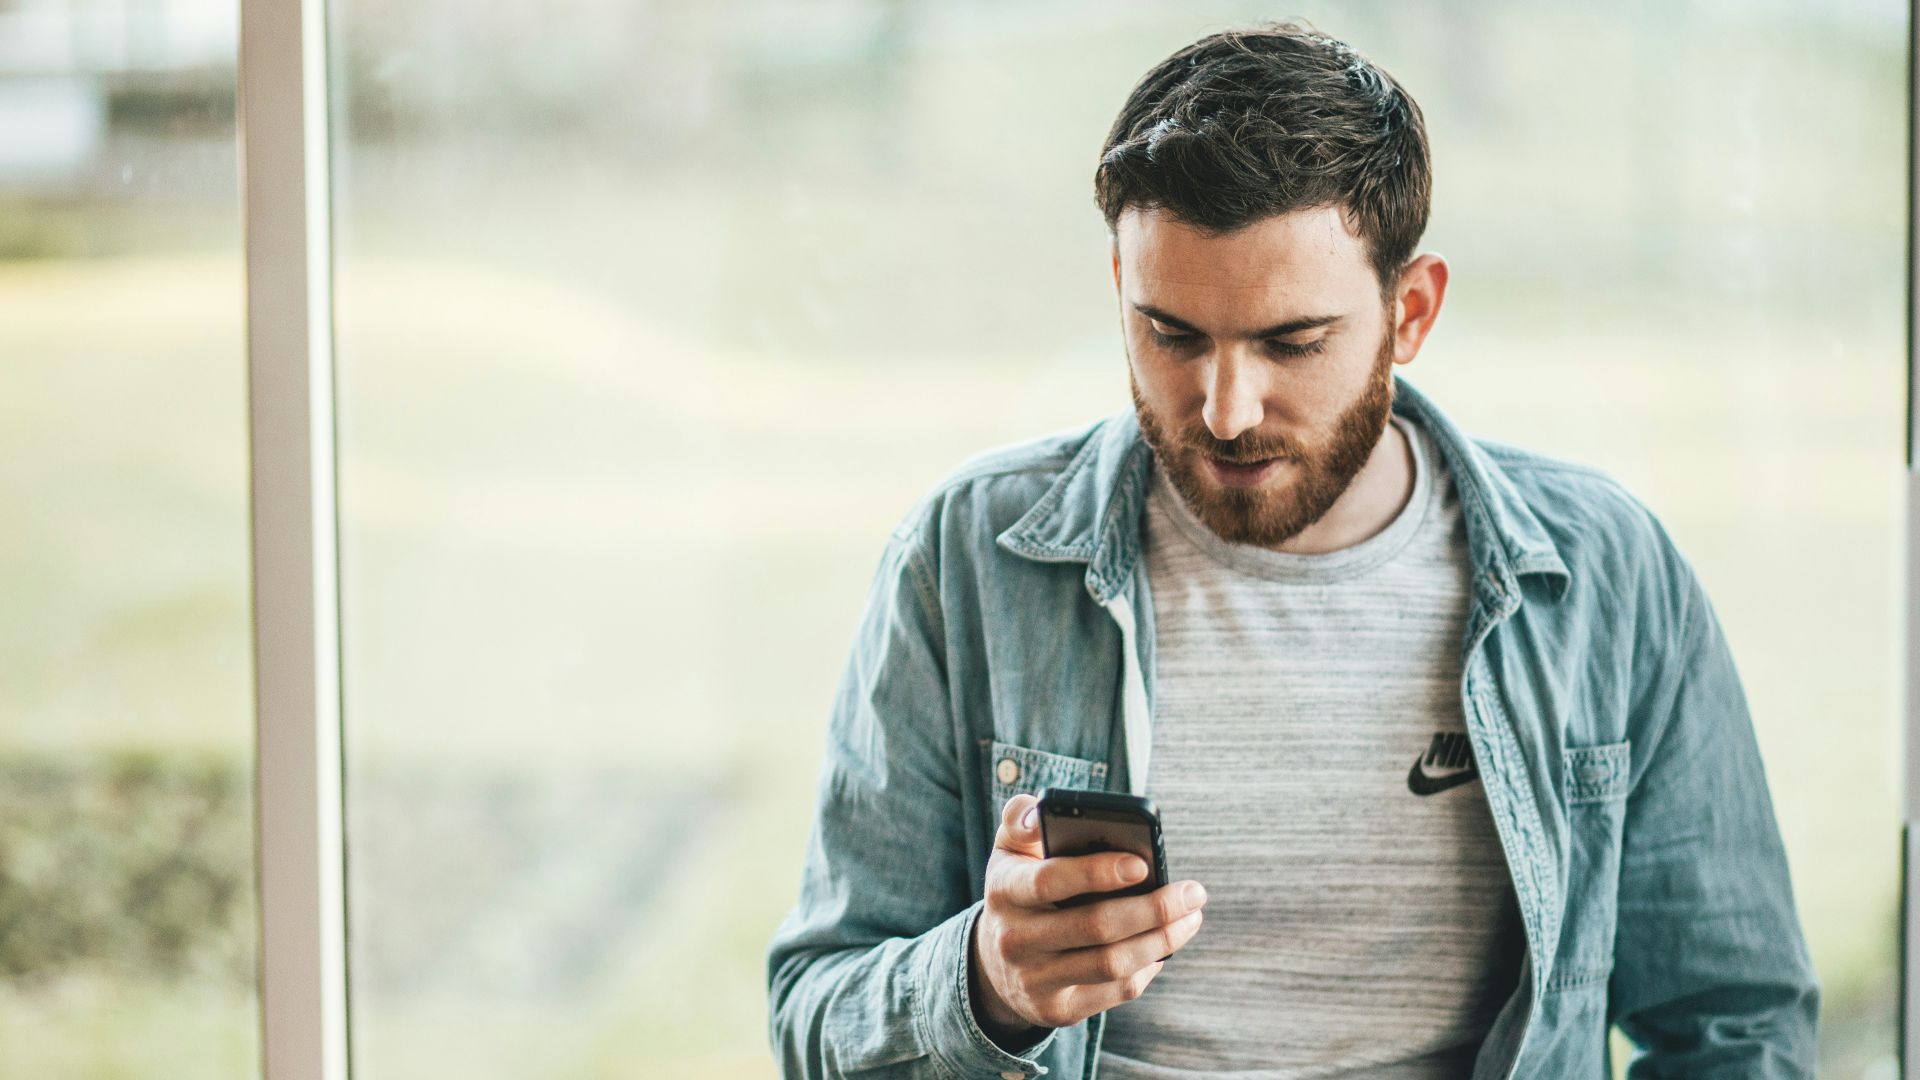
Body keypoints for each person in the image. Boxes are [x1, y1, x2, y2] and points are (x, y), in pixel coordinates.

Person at [766, 20, 1818, 1080]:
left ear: (1410, 312)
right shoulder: (966, 560)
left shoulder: (1606, 576)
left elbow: (1736, 1027)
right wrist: (985, 985)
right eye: (1171, 334)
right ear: (1119, 288)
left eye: (1291, 342)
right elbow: (814, 1016)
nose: (1225, 411)